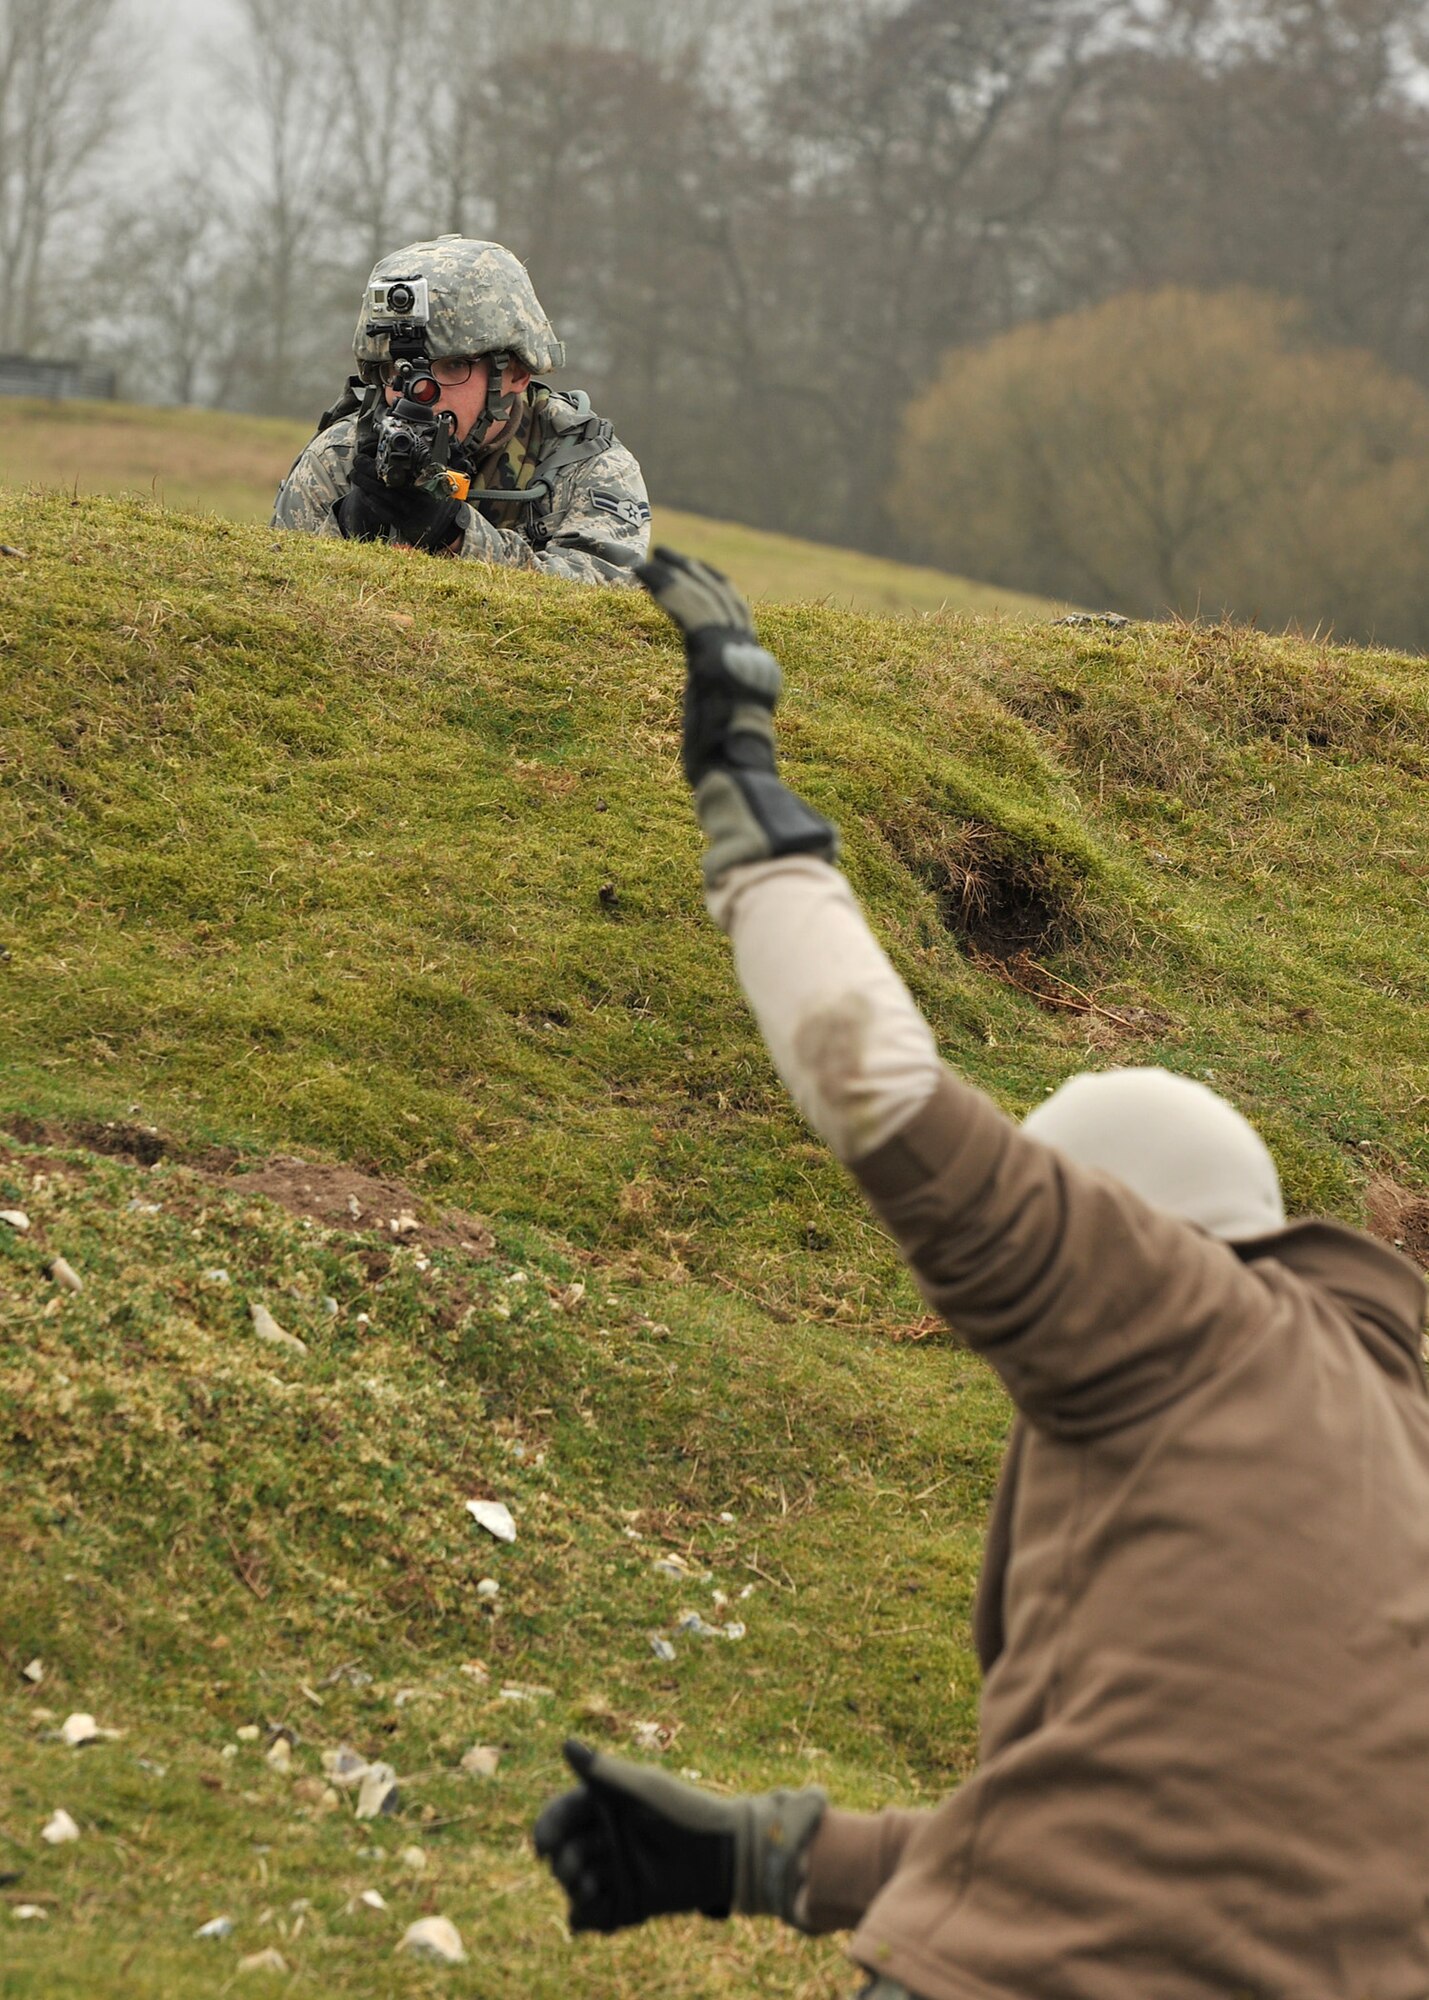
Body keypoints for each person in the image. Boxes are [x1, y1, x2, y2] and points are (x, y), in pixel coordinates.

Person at [533, 552, 1429, 1997]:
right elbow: (1118, 1856)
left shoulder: (1172, 1320)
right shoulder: (1388, 1456)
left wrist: (751, 814)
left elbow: (871, 1084)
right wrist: (764, 1856)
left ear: (1123, 1237)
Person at [272, 237, 650, 586]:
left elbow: (606, 607)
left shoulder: (586, 465)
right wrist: (347, 526)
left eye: (452, 367)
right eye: (397, 371)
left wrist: (454, 534)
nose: (419, 395)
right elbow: (276, 596)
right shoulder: (338, 459)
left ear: (516, 373)